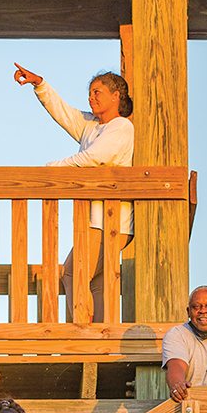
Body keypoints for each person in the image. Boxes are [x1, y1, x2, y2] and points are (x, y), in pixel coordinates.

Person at [12, 64, 134, 322]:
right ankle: (102, 331)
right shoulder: (91, 125)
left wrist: (53, 168)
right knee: (96, 280)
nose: (91, 97)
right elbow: (63, 113)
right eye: (90, 92)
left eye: (98, 92)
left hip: (111, 222)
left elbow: (95, 157)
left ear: (116, 96)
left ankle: (84, 329)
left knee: (72, 272)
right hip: (95, 221)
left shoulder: (121, 126)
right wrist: (40, 84)